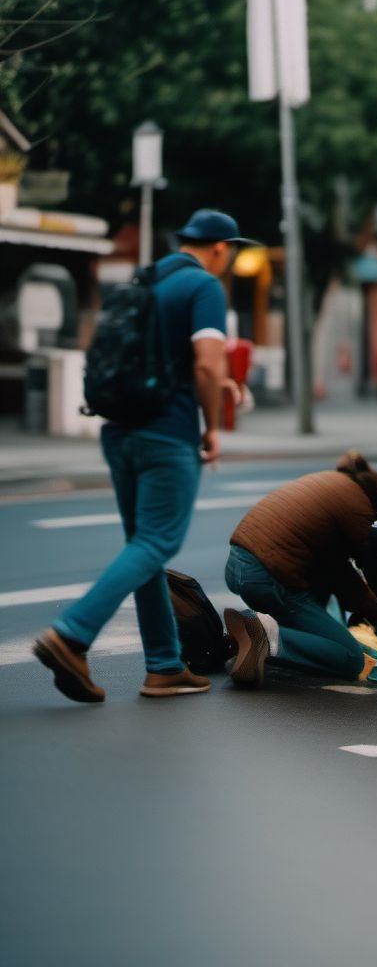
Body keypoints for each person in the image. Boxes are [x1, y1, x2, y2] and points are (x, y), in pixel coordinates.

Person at [33, 208, 252, 702]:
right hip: (166, 430)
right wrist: (212, 426)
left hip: (119, 431)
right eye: (231, 252)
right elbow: (205, 362)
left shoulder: (145, 280)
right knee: (155, 542)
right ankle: (71, 634)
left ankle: (164, 666)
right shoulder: (204, 287)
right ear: (220, 248)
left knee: (145, 548)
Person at [223, 451, 377, 688]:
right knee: (350, 657)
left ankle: (249, 646)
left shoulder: (334, 483)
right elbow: (370, 570)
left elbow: (335, 570)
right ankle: (267, 635)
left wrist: (364, 603)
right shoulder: (360, 507)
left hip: (239, 565)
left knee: (318, 595)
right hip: (267, 576)